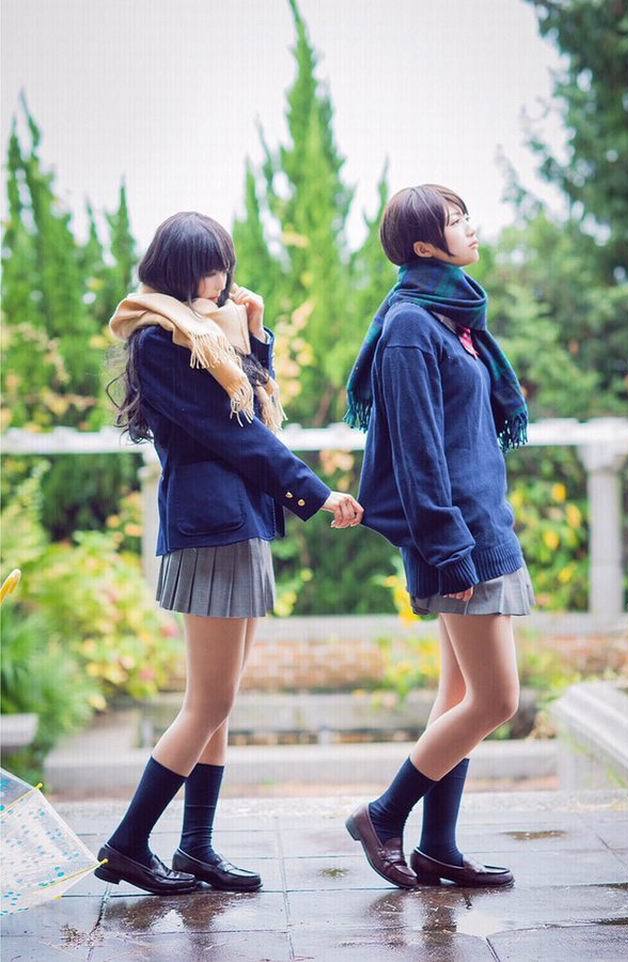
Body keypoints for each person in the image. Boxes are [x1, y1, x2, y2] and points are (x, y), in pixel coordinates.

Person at [97, 211, 363, 895]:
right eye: (208, 268)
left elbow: (256, 405)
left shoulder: (206, 335)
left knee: (219, 703)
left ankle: (196, 848)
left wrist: (258, 337)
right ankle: (127, 844)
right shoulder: (162, 340)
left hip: (236, 525)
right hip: (212, 528)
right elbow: (239, 434)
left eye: (224, 267)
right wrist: (316, 493)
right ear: (178, 271)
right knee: (208, 703)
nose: (220, 280)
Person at [343, 184, 535, 889]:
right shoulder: (409, 329)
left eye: (465, 216)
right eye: (456, 221)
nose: (470, 228)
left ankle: (439, 848)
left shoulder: (454, 318)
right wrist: (449, 552)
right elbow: (418, 455)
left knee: (458, 696)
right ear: (424, 245)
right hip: (457, 539)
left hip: (484, 524)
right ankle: (383, 816)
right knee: (496, 701)